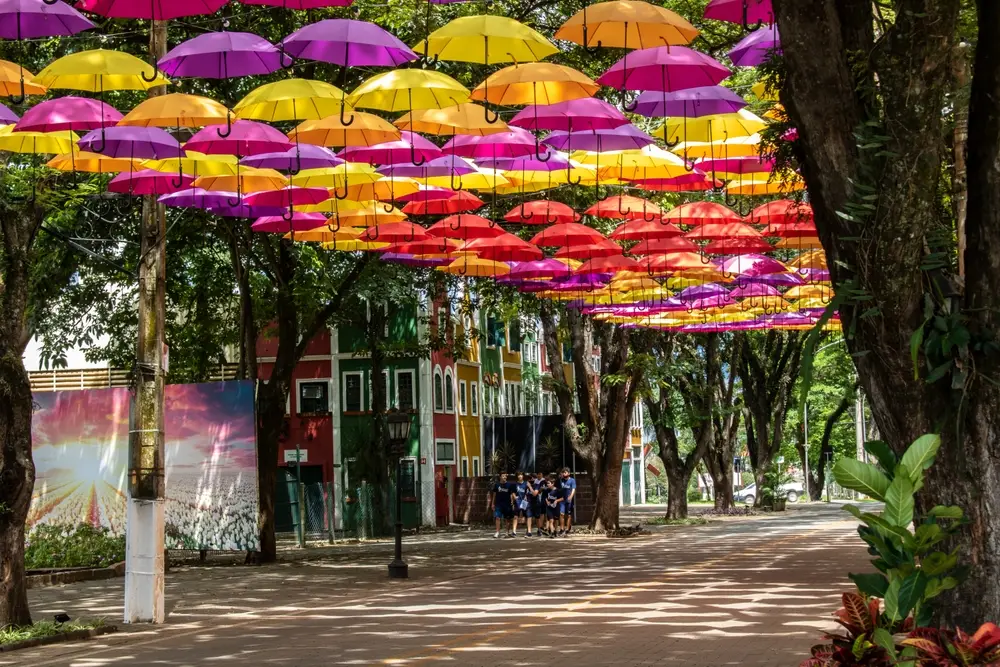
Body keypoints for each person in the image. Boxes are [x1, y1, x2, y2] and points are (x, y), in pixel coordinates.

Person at [489, 472, 515, 538]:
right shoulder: (497, 485)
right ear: (500, 477)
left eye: (505, 476)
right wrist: (492, 503)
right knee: (497, 517)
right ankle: (497, 532)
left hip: (507, 504)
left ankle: (507, 532)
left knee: (508, 519)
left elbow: (512, 494)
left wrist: (512, 502)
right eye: (503, 476)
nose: (504, 477)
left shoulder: (509, 485)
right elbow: (494, 495)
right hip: (498, 504)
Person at [512, 472, 533, 537]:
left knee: (528, 516)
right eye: (518, 475)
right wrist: (514, 497)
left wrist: (529, 486)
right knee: (516, 516)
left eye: (521, 475)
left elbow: (532, 492)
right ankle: (514, 531)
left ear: (523, 476)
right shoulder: (515, 484)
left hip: (524, 501)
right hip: (518, 501)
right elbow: (513, 492)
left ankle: (529, 531)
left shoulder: (526, 483)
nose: (520, 476)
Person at [560, 467, 577, 537]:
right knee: (561, 514)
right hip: (562, 500)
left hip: (569, 500)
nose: (564, 474)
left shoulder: (572, 480)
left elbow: (573, 489)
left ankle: (567, 529)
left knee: (569, 515)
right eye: (563, 472)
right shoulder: (561, 480)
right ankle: (562, 529)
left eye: (565, 472)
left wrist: (571, 496)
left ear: (569, 473)